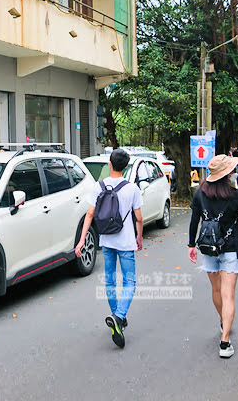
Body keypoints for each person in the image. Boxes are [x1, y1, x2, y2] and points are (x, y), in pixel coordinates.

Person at [188, 155, 238, 359]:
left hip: (208, 246)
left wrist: (190, 245)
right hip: (231, 247)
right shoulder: (236, 195)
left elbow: (194, 220)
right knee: (228, 294)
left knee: (216, 290)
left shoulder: (200, 194)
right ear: (227, 174)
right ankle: (225, 340)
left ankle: (224, 321)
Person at [75, 148, 143, 349]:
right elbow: (138, 218)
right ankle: (119, 316)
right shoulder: (132, 189)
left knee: (110, 280)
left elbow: (89, 215)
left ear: (110, 165)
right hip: (126, 242)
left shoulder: (99, 186)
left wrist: (81, 242)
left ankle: (117, 316)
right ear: (126, 167)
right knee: (130, 281)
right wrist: (139, 237)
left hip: (106, 241)